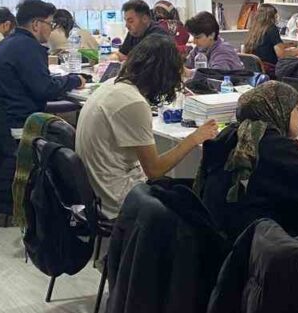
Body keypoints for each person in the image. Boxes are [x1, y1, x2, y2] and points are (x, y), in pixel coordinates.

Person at [76, 34, 217, 219]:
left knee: (185, 190)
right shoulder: (133, 102)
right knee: (202, 196)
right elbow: (154, 171)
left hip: (98, 192)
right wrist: (194, 138)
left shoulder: (113, 85)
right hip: (118, 200)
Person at [196, 80, 298, 239]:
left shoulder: (229, 134)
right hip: (257, 242)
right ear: (279, 110)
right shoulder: (277, 147)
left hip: (218, 236)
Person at [0, 0, 84, 127]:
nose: (51, 29)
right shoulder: (27, 47)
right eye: (50, 24)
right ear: (36, 24)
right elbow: (46, 89)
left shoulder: (8, 43)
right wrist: (75, 80)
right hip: (19, 124)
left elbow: (38, 82)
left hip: (1, 119)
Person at [242, 3, 298, 72]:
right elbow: (281, 54)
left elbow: (266, 44)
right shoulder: (272, 29)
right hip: (270, 69)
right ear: (271, 16)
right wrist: (295, 52)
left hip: (256, 70)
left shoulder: (254, 29)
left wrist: (288, 45)